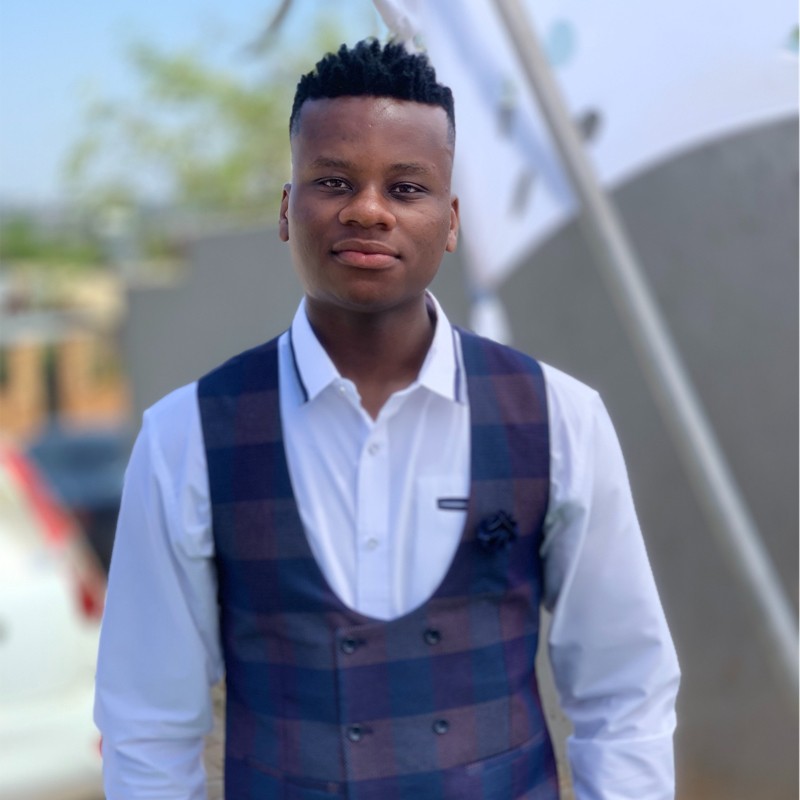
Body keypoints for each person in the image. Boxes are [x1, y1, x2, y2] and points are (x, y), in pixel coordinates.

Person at [95, 39, 680, 800]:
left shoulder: (559, 418)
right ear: (286, 208)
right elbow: (147, 726)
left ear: (451, 220)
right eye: (334, 181)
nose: (368, 210)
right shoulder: (186, 438)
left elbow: (625, 690)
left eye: (406, 188)